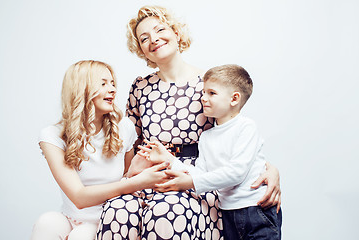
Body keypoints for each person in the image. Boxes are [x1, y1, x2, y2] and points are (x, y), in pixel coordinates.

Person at [96, 6, 281, 240]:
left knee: (166, 213)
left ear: (176, 33)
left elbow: (234, 131)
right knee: (116, 211)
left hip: (194, 175)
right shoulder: (140, 87)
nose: (153, 39)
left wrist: (270, 169)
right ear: (141, 50)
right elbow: (132, 142)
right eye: (144, 38)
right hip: (147, 172)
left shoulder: (207, 83)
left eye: (159, 29)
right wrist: (128, 177)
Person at [30, 60, 169, 240]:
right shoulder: (52, 136)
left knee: (81, 236)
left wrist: (134, 174)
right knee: (46, 222)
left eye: (112, 83)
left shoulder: (124, 127)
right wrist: (139, 181)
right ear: (82, 89)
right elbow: (79, 198)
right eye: (103, 84)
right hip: (71, 217)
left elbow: (125, 180)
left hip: (109, 220)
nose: (112, 89)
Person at [140, 64, 282, 240]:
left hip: (256, 209)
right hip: (228, 212)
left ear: (234, 99)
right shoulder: (206, 137)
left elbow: (236, 173)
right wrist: (168, 158)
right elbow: (201, 173)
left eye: (211, 93)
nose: (203, 98)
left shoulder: (246, 127)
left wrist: (189, 182)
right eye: (203, 92)